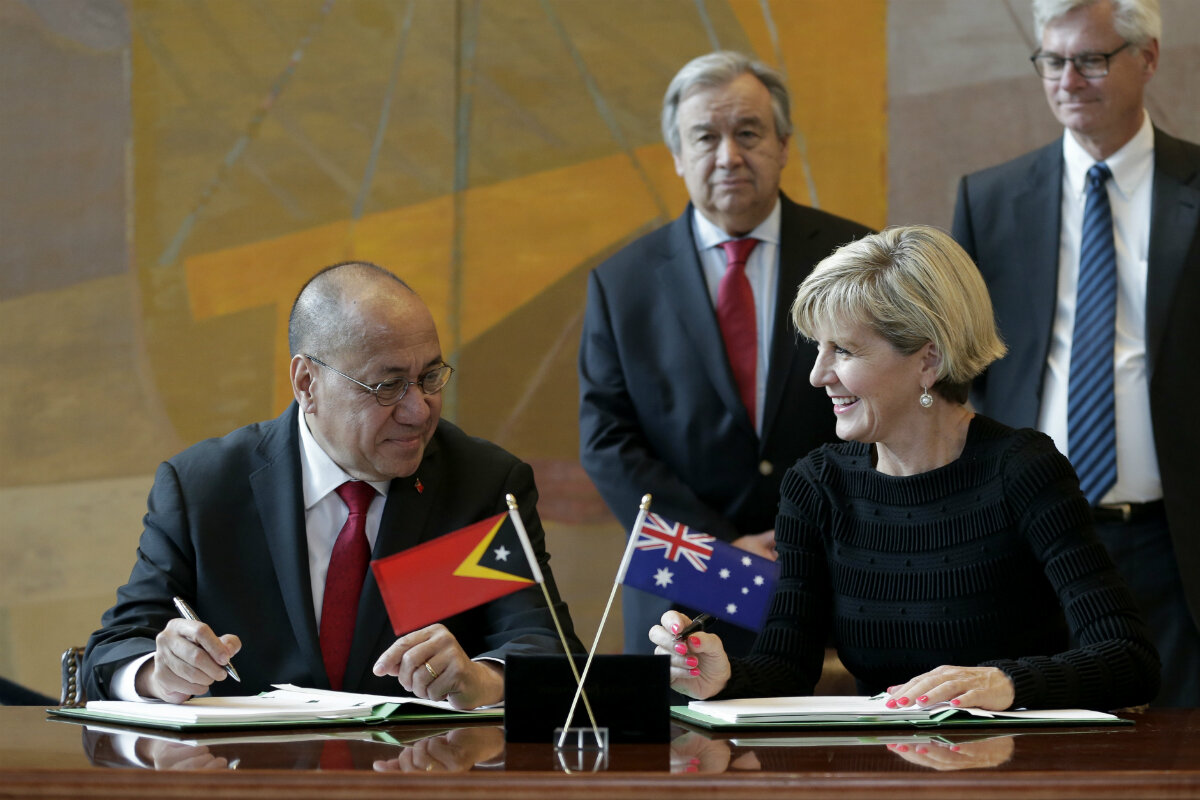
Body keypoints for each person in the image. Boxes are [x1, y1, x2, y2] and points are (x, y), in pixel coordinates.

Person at [651, 226, 1159, 712]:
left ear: (928, 360)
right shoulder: (817, 485)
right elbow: (786, 668)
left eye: (842, 350)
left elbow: (1129, 659)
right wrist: (723, 679)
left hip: (1008, 759)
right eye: (818, 348)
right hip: (877, 760)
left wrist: (1005, 682)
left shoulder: (1024, 470)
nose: (818, 375)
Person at [83, 262, 580, 709]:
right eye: (388, 386)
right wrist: (158, 673)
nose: (419, 410)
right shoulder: (203, 488)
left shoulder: (483, 484)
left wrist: (483, 679)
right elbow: (111, 653)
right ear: (307, 383)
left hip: (419, 765)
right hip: (248, 768)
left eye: (430, 378)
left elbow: (549, 650)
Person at [578, 51, 872, 655]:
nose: (728, 156)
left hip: (830, 575)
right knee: (684, 718)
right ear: (678, 156)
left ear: (783, 144)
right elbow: (608, 442)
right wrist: (715, 549)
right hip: (681, 582)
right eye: (705, 137)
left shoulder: (857, 258)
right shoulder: (622, 283)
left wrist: (800, 535)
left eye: (748, 133)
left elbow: (890, 410)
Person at [951, 0, 1200, 706]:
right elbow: (958, 369)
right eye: (1052, 61)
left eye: (1090, 60)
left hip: (1174, 540)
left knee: (1179, 746)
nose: (1067, 80)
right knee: (1040, 741)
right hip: (1033, 539)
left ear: (1147, 59)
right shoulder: (989, 199)